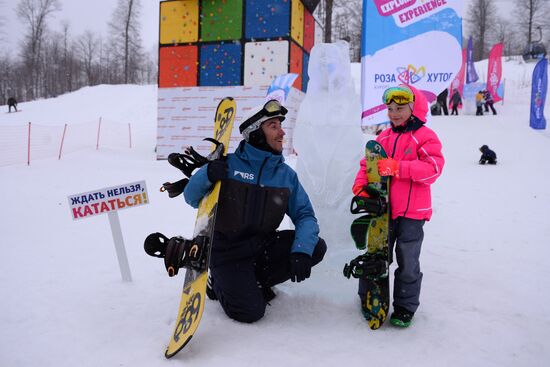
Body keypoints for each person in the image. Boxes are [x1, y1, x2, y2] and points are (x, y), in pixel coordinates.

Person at [183, 99, 327, 323]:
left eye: (280, 126)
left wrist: (301, 250)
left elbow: (305, 215)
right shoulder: (227, 166)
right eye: (274, 126)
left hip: (262, 248)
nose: (281, 133)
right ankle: (218, 282)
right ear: (255, 134)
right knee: (250, 312)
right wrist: (208, 173)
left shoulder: (285, 175)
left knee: (315, 247)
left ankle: (252, 281)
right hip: (227, 252)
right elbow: (191, 197)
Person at [352, 85, 445, 327]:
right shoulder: (383, 137)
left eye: (400, 108)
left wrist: (399, 168)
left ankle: (405, 306)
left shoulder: (425, 137)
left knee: (408, 262)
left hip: (412, 215)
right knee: (375, 257)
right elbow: (367, 165)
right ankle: (369, 297)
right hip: (383, 211)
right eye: (390, 108)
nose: (394, 113)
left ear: (415, 108)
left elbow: (433, 169)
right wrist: (361, 186)